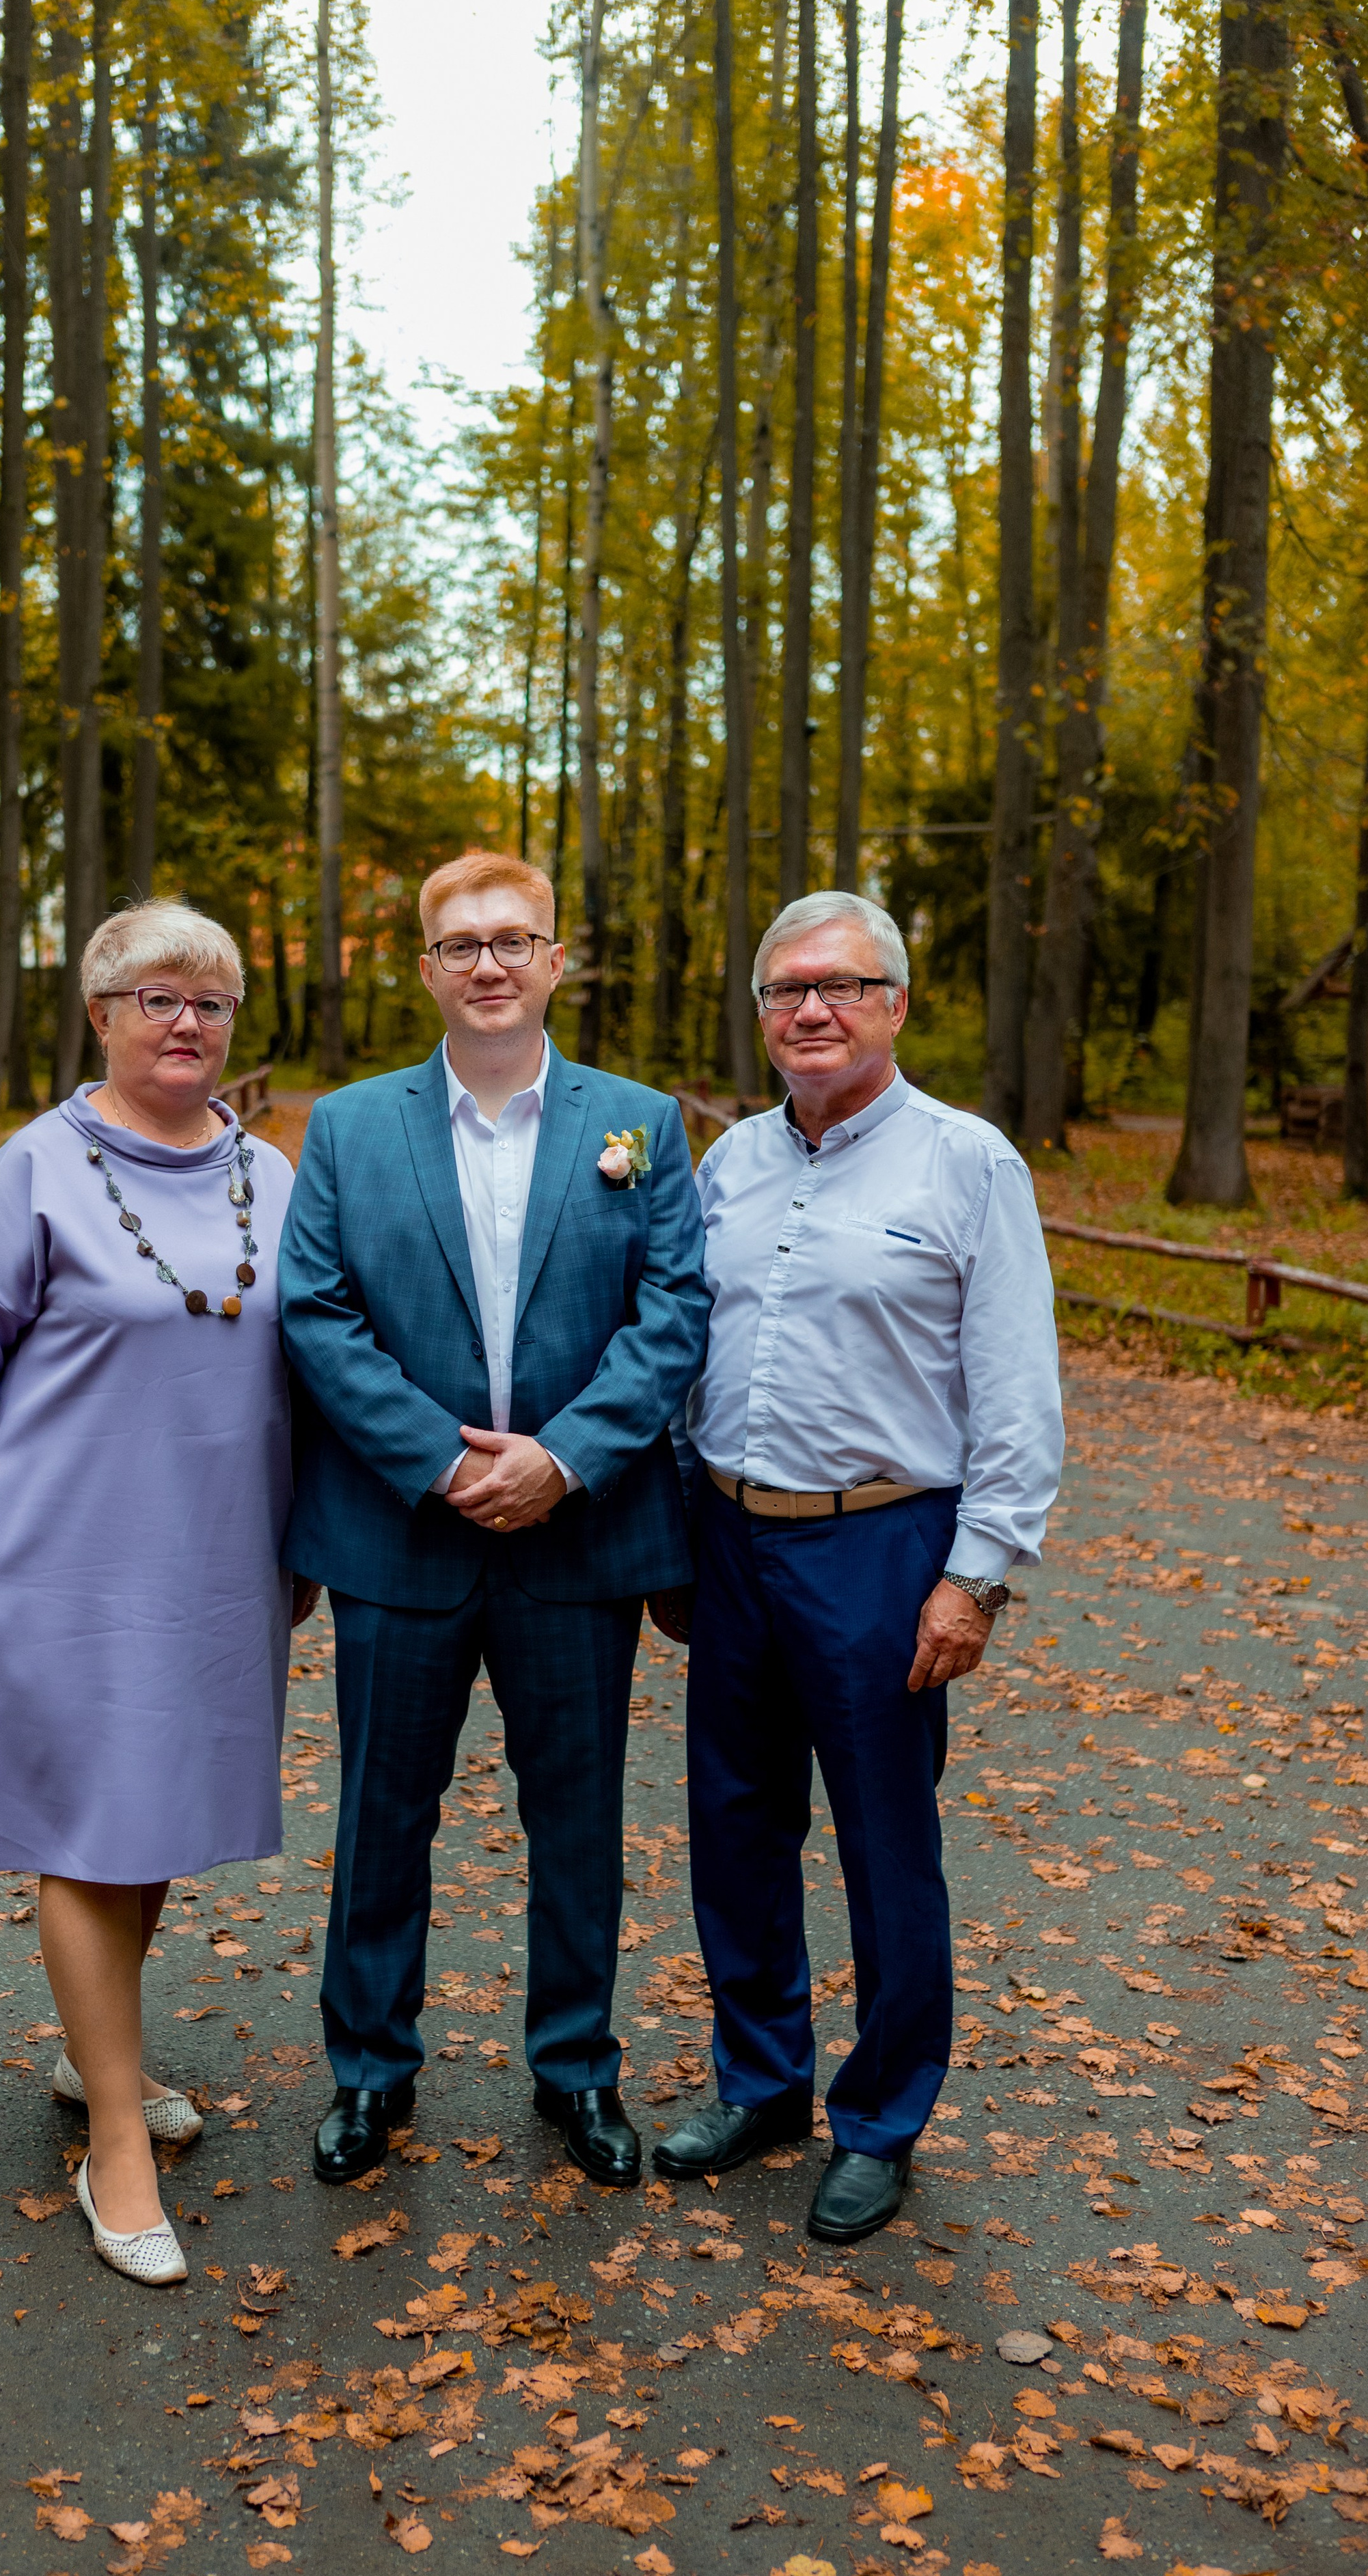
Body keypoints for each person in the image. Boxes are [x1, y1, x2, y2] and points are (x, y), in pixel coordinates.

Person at [0, 900, 314, 2287]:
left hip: (215, 1558)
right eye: (154, 998)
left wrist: (305, 1538)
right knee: (89, 1826)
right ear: (101, 1017)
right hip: (63, 1557)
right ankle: (116, 2138)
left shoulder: (270, 1174)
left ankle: (100, 2058)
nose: (183, 1022)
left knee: (158, 1825)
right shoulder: (36, 1167)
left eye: (208, 1002)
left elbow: (314, 1366)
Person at [279, 851, 709, 2189]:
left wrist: (563, 1460)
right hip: (401, 1538)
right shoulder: (350, 1129)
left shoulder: (638, 1125)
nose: (487, 963)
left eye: (513, 939)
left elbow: (673, 1311)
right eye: (459, 943)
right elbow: (316, 1310)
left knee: (575, 1820)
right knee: (380, 1816)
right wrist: (439, 1460)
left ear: (555, 960)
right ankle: (368, 2073)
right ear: (424, 968)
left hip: (577, 1540)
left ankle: (575, 2069)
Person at [658, 890, 1063, 2242]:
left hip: (881, 1545)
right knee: (732, 1821)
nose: (809, 1010)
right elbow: (681, 1351)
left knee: (887, 1844)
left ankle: (880, 2116)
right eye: (783, 990)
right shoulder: (727, 1167)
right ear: (760, 1013)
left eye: (839, 985)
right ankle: (759, 2079)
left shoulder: (965, 1164)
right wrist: (672, 1519)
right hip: (728, 1536)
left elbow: (1014, 1392)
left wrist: (976, 1574)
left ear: (894, 1002)